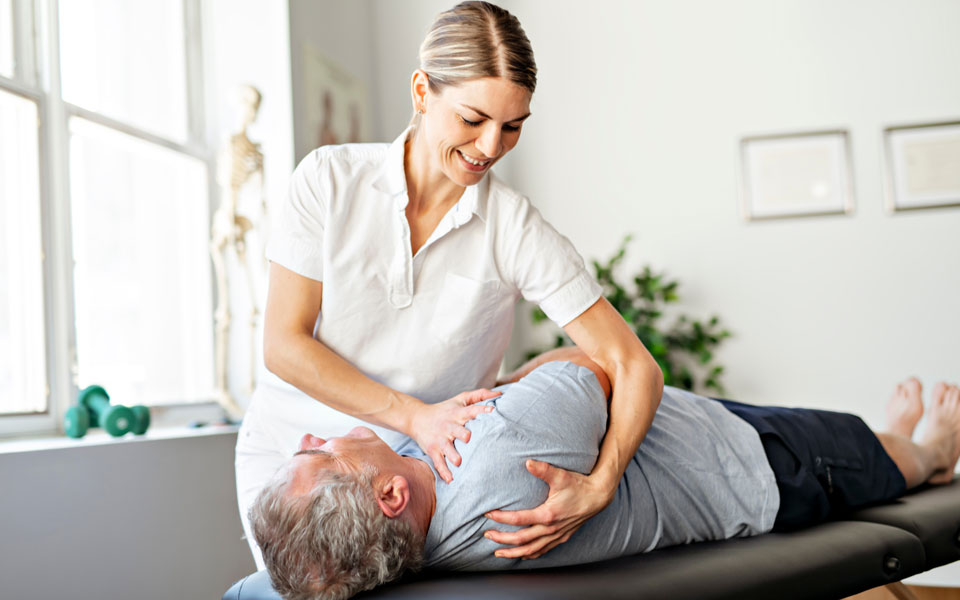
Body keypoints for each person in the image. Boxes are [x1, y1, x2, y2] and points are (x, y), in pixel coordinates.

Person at [236, 1, 663, 569]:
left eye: (512, 126)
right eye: (472, 118)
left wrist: (602, 482)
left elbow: (636, 366)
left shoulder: (514, 227)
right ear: (421, 92)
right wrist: (413, 413)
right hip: (296, 458)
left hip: (412, 472)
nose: (491, 146)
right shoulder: (328, 180)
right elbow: (284, 346)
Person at [249, 348, 960, 600]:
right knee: (871, 453)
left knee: (855, 436)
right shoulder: (496, 450)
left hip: (701, 437)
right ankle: (928, 448)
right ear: (390, 493)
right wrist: (511, 390)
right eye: (314, 453)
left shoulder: (405, 544)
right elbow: (595, 362)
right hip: (751, 463)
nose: (313, 435)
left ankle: (901, 439)